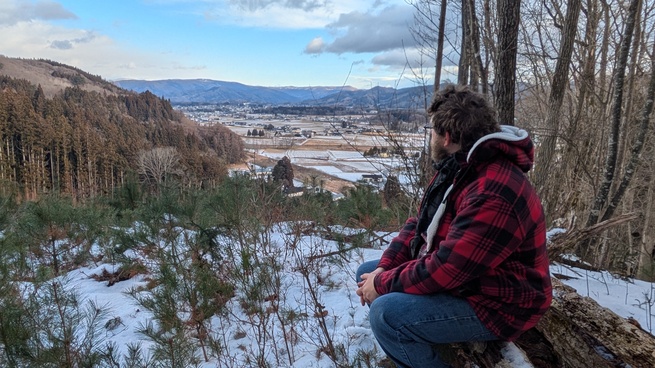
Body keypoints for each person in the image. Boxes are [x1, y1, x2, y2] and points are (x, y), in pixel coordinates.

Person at [355, 84, 552, 367]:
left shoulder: (493, 190)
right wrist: (384, 268)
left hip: (501, 304)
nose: (431, 137)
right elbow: (419, 225)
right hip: (474, 280)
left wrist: (383, 283)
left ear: (446, 136)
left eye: (432, 131)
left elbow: (448, 269)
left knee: (386, 315)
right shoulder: (463, 166)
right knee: (367, 272)